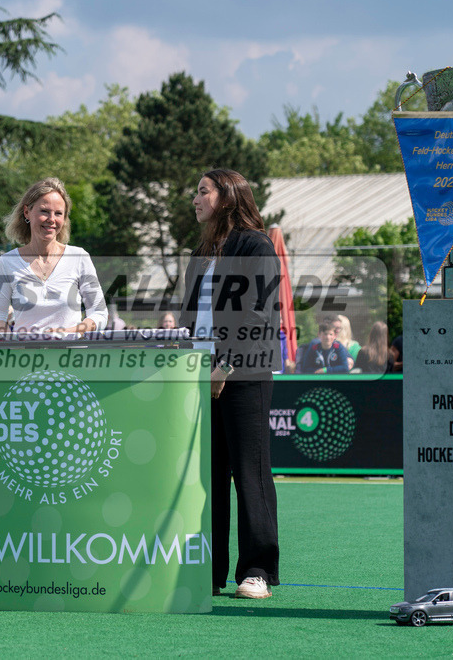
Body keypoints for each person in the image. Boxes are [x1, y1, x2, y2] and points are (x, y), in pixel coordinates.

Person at [178, 168, 280, 600]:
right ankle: (210, 570)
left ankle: (257, 570)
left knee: (249, 473)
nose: (195, 198)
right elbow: (189, 319)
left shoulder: (255, 246)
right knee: (208, 476)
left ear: (228, 196)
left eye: (203, 191)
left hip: (245, 376)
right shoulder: (201, 251)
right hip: (198, 374)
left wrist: (226, 367)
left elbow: (257, 316)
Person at [0, 178, 107, 333]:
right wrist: (13, 347)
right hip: (24, 356)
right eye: (44, 211)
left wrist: (68, 332)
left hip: (72, 355)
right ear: (27, 212)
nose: (51, 219)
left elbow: (99, 314)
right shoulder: (6, 262)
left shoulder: (79, 257)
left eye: (58, 213)